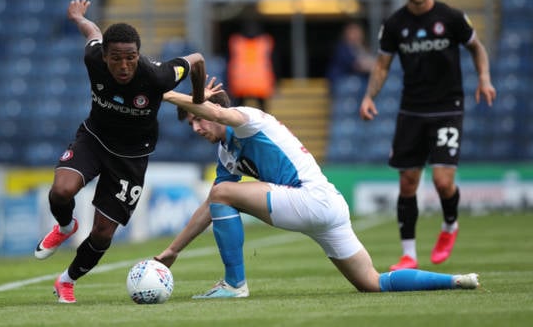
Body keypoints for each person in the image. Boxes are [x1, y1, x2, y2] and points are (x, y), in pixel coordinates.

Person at [153, 79, 480, 298]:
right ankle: (454, 280)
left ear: (214, 112)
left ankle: (234, 284)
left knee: (223, 194)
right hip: (327, 205)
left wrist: (163, 92)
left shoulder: (248, 118)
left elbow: (218, 119)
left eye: (198, 118)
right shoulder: (226, 154)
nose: (196, 127)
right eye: (191, 122)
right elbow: (210, 206)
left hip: (312, 199)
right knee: (372, 283)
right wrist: (173, 250)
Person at [33, 0, 206, 303]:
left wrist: (199, 97)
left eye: (131, 58)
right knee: (60, 192)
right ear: (105, 56)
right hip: (94, 139)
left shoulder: (158, 75)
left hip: (131, 157)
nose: (124, 66)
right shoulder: (93, 58)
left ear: (139, 55)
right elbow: (92, 32)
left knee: (102, 233)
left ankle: (66, 281)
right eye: (116, 58)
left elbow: (197, 58)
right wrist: (77, 17)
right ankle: (65, 226)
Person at [358, 0, 497, 271]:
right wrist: (369, 96)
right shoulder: (395, 24)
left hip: (448, 108)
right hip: (411, 110)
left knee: (442, 182)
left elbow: (477, 48)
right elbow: (381, 65)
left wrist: (484, 78)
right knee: (407, 182)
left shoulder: (451, 17)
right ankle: (409, 255)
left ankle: (450, 226)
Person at [227, 19, 276, 111]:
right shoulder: (265, 42)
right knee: (262, 114)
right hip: (258, 83)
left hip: (243, 83)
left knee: (238, 112)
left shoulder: (236, 42)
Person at [326, 21, 375, 91]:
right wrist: (373, 66)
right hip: (340, 82)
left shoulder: (363, 48)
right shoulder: (342, 48)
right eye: (353, 32)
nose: (356, 35)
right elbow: (358, 65)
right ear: (346, 34)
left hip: (358, 82)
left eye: (358, 32)